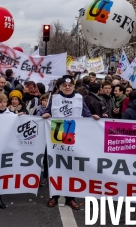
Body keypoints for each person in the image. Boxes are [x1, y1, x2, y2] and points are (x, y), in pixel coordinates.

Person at [41, 75, 99, 211]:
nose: (67, 87)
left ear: (73, 86)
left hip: (74, 137)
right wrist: (46, 114)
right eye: (64, 85)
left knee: (72, 168)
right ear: (60, 87)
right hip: (57, 135)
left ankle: (70, 198)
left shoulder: (79, 98)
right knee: (56, 167)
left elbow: (86, 114)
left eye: (70, 85)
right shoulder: (54, 98)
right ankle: (54, 196)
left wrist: (93, 118)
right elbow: (47, 112)